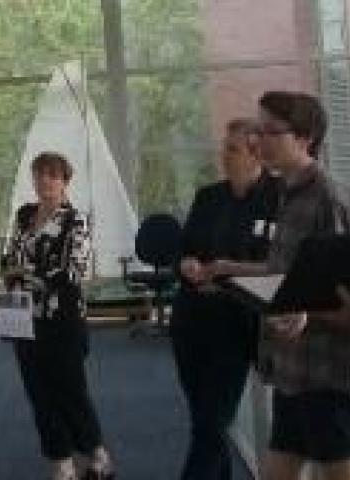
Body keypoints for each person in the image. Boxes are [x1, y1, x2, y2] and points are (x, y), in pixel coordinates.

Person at [213, 91, 350, 480]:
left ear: (305, 139)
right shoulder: (287, 193)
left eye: (271, 131)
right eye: (257, 130)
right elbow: (288, 275)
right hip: (292, 372)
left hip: (326, 377)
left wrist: (307, 312)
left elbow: (342, 297)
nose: (258, 141)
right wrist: (230, 271)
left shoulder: (327, 198)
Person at [170, 118, 282, 480]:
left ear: (256, 155)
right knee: (205, 419)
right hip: (191, 320)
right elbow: (185, 250)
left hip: (235, 324)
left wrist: (225, 276)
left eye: (232, 149)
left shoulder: (279, 198)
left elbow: (276, 265)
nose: (224, 155)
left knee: (211, 421)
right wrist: (186, 264)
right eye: (225, 147)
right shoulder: (209, 196)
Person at [1, 151, 115, 480]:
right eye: (39, 175)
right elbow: (10, 257)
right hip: (23, 317)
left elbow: (71, 273)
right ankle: (61, 462)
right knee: (39, 394)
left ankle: (97, 454)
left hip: (62, 320)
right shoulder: (24, 215)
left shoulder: (75, 221)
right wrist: (12, 271)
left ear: (65, 181)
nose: (44, 181)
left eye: (52, 175)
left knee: (70, 392)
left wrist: (27, 275)